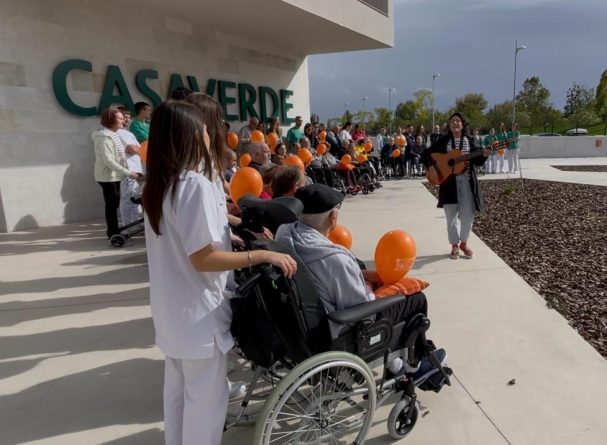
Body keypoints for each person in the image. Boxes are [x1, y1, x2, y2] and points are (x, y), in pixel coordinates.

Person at [142, 101, 297, 445]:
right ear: (189, 136)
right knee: (205, 406)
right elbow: (204, 258)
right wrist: (259, 256)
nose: (211, 136)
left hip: (172, 314)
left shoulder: (160, 185)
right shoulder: (192, 184)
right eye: (202, 130)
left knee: (179, 398)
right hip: (198, 315)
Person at [275, 184, 446, 380]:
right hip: (340, 331)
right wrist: (373, 289)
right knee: (416, 299)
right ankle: (410, 366)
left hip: (300, 326)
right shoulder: (333, 259)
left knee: (361, 267)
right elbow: (361, 311)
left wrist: (361, 274)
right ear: (333, 218)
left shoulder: (285, 235)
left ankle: (396, 363)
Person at [421, 112, 489, 260]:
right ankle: (454, 246)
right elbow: (426, 154)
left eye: (458, 121)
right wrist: (431, 168)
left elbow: (477, 162)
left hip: (467, 183)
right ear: (449, 125)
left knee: (467, 216)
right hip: (448, 184)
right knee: (451, 218)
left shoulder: (471, 141)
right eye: (452, 121)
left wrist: (484, 154)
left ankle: (464, 243)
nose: (455, 123)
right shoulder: (443, 141)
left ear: (463, 124)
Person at [93, 108, 141, 240]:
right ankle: (113, 232)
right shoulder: (104, 137)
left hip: (115, 175)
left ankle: (114, 230)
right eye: (119, 118)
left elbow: (120, 157)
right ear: (111, 120)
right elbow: (109, 161)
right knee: (112, 204)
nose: (123, 120)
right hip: (107, 176)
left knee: (114, 203)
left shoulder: (113, 134)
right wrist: (128, 173)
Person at [116, 107, 144, 228]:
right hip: (129, 172)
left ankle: (135, 225)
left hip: (137, 171)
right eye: (123, 117)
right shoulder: (118, 133)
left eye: (128, 117)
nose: (126, 119)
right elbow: (133, 149)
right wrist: (144, 149)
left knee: (135, 199)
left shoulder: (127, 133)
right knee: (128, 199)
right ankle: (128, 228)